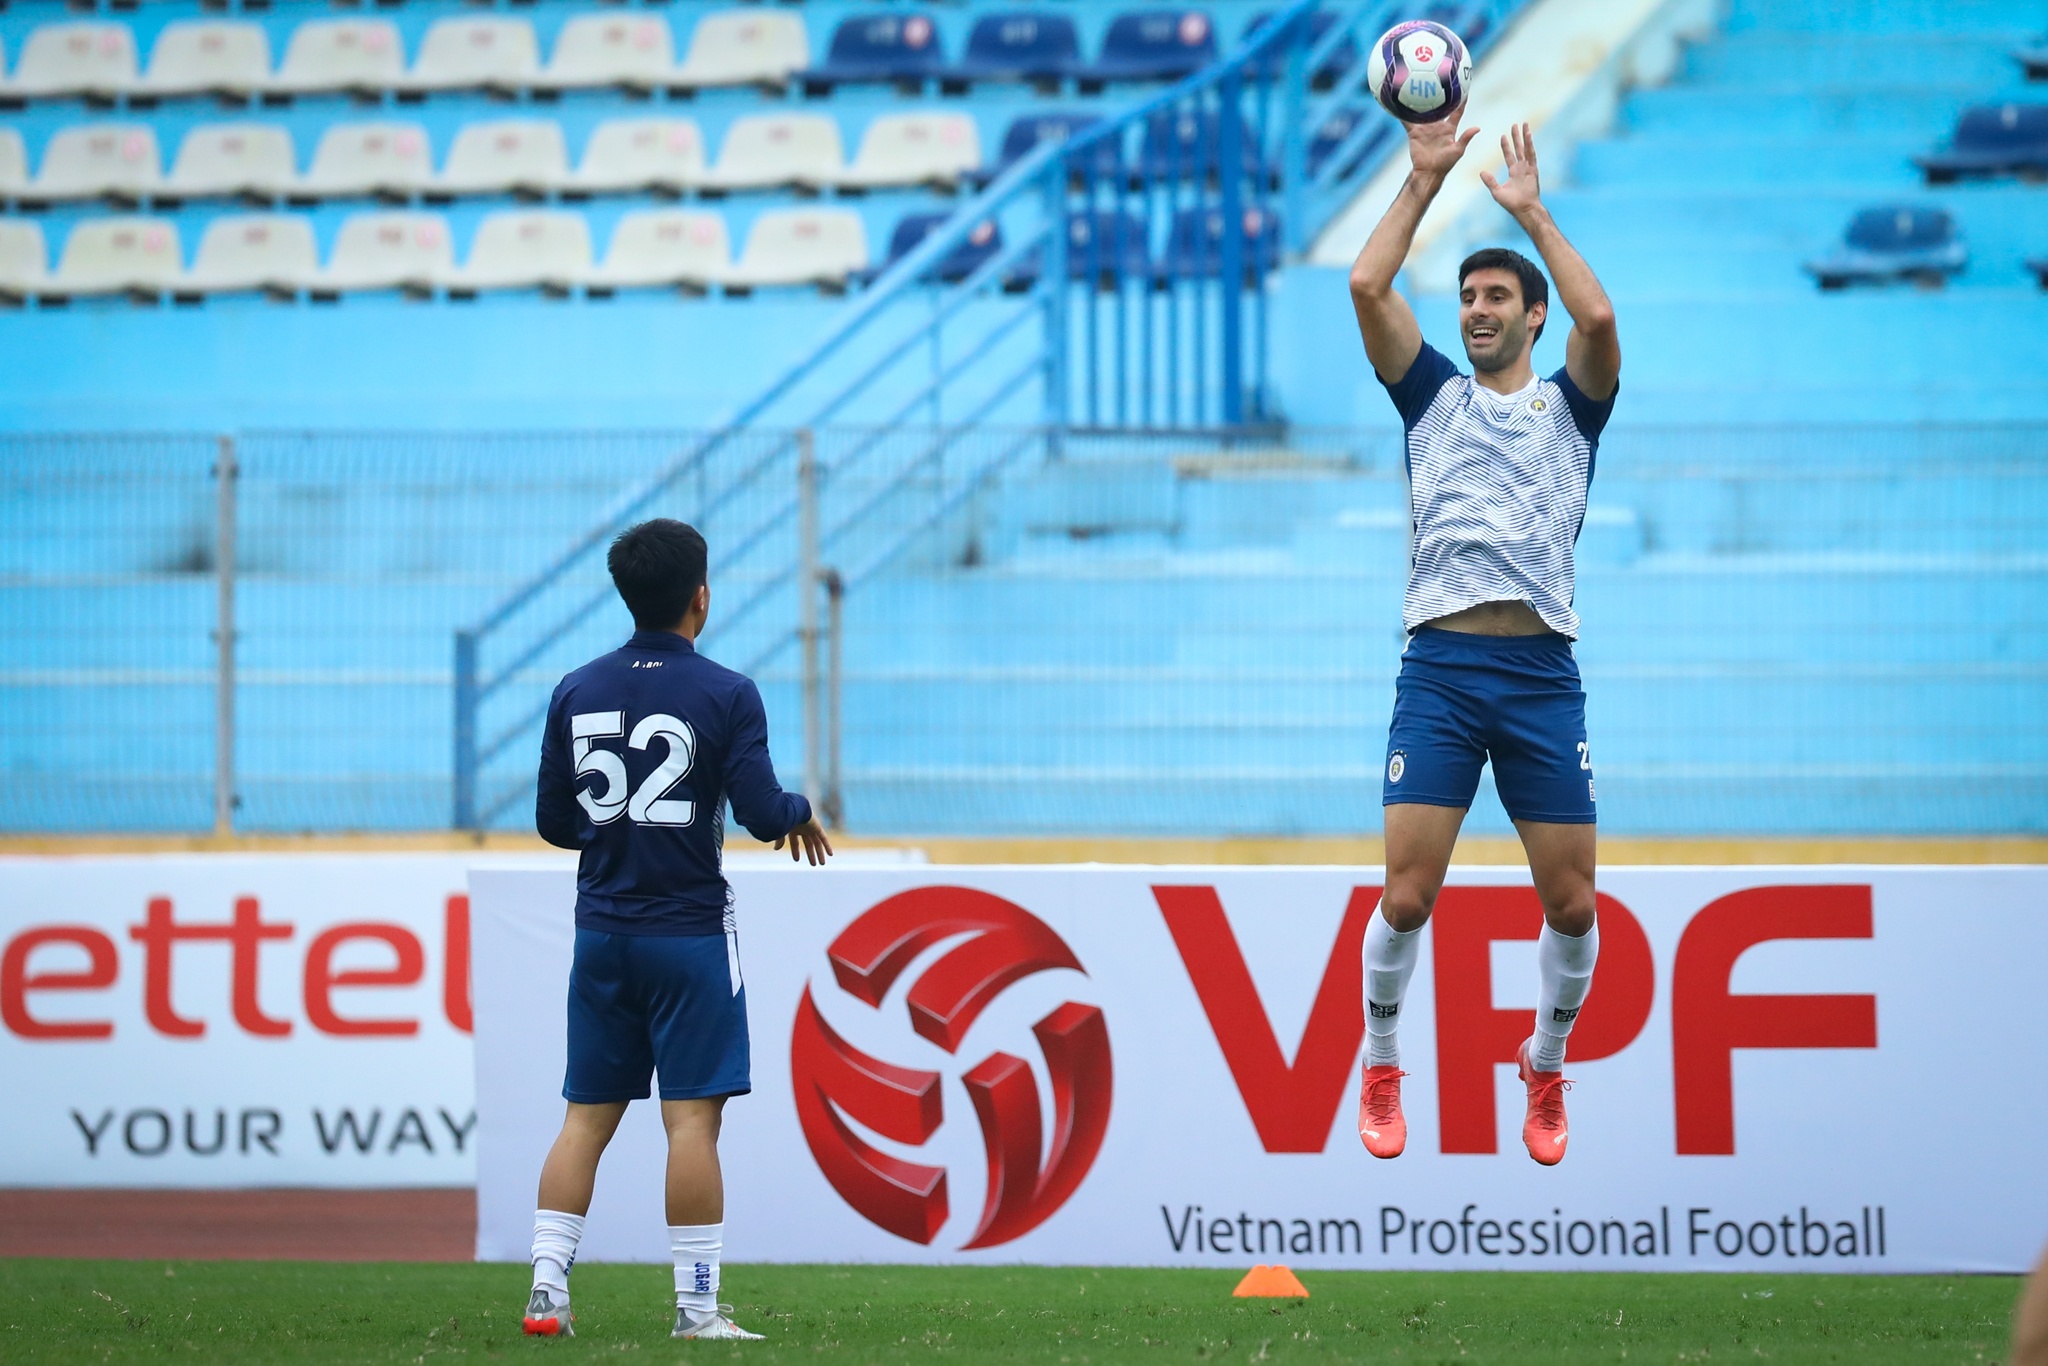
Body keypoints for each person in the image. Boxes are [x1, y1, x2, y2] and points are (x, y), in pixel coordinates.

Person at [1345, 110, 1621, 1165]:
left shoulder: (1570, 410)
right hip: (1443, 671)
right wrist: (1421, 180)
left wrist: (1529, 214)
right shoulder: (1429, 401)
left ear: (1530, 316)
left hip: (1541, 674)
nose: (1472, 310)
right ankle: (1379, 1057)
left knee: (1571, 899)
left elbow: (1599, 316)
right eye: (1464, 297)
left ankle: (1543, 1062)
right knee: (1407, 892)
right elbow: (1368, 286)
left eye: (1493, 296)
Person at [523, 518, 833, 1341]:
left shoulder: (575, 688)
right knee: (691, 1120)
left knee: (584, 1118)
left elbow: (557, 821)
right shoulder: (727, 692)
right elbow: (765, 813)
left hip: (602, 933)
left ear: (627, 594)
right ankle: (697, 1310)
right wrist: (802, 809)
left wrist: (618, 838)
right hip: (690, 934)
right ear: (702, 596)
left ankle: (547, 1291)